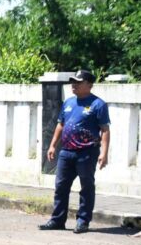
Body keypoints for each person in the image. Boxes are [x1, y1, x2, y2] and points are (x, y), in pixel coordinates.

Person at [39, 69, 110, 234]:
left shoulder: (98, 104)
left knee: (86, 187)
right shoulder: (69, 102)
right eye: (73, 82)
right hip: (66, 152)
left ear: (89, 85)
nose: (74, 85)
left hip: (86, 153)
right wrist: (52, 145)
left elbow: (105, 130)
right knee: (61, 186)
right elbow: (60, 124)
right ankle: (57, 220)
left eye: (78, 82)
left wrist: (104, 153)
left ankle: (83, 221)